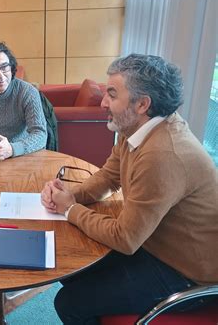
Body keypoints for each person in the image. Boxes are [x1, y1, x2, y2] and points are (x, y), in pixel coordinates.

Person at [41, 54, 217, 324]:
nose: (103, 102)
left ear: (142, 104)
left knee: (70, 302)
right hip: (154, 245)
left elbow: (125, 238)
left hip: (185, 273)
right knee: (69, 270)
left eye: (112, 94)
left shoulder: (162, 154)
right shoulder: (136, 129)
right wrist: (69, 195)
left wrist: (70, 209)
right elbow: (109, 177)